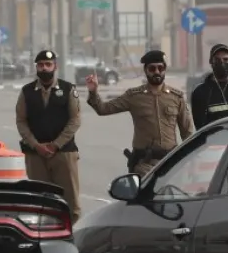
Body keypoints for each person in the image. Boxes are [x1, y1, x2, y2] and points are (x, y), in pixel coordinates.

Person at [86, 49, 194, 177]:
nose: (157, 72)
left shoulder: (177, 97)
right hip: (144, 165)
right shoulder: (134, 96)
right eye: (152, 69)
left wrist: (190, 161)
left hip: (170, 162)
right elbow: (103, 109)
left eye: (160, 68)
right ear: (146, 71)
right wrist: (93, 92)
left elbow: (187, 132)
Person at [15, 49, 82, 223]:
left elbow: (75, 121)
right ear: (36, 67)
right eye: (41, 65)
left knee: (70, 202)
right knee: (39, 200)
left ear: (55, 67)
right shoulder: (27, 92)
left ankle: (69, 235)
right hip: (35, 155)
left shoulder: (68, 89)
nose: (44, 68)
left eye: (48, 64)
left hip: (63, 154)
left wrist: (55, 145)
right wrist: (35, 145)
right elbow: (21, 121)